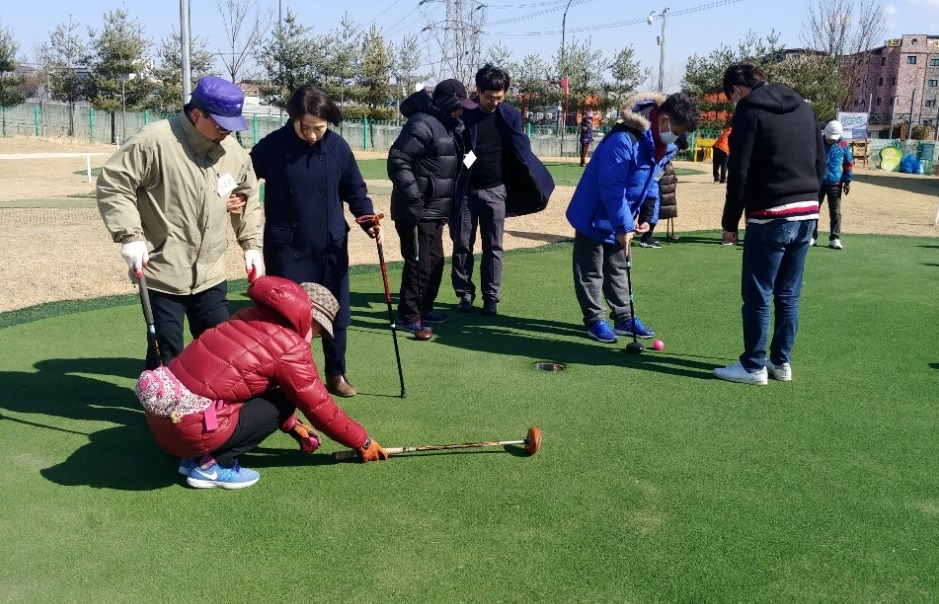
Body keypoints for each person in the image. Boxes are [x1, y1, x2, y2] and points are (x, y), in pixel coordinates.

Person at [136, 276, 389, 489]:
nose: (315, 338)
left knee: (272, 395)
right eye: (320, 331)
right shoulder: (291, 346)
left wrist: (293, 427)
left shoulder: (248, 315)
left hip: (165, 424)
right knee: (286, 400)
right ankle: (214, 466)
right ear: (312, 319)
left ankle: (193, 458)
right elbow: (322, 410)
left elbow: (241, 384)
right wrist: (362, 442)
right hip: (191, 431)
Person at [97, 76, 262, 370]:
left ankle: (212, 410)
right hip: (162, 271)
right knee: (167, 351)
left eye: (232, 126)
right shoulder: (154, 141)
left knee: (219, 349)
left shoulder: (233, 153)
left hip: (211, 273)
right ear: (197, 114)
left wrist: (251, 245)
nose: (227, 132)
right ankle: (160, 410)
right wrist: (130, 236)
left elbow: (247, 196)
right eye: (221, 124)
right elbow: (114, 184)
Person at [250, 84, 381, 398]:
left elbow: (355, 190)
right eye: (304, 127)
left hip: (329, 245)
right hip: (287, 247)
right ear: (293, 117)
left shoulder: (337, 148)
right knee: (287, 319)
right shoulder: (271, 147)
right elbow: (243, 177)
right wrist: (237, 197)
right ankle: (287, 378)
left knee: (336, 313)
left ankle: (336, 373)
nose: (311, 135)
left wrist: (367, 218)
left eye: (318, 129)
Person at [714, 63, 824, 386]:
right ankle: (781, 361)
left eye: (731, 96)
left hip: (771, 213)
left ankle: (752, 366)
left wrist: (729, 223)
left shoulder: (748, 109)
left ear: (736, 90)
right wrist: (810, 203)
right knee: (789, 294)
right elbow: (820, 162)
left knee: (758, 293)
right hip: (807, 211)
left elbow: (740, 171)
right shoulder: (805, 107)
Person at [566, 92, 700, 344]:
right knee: (591, 270)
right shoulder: (624, 139)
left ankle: (624, 318)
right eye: (679, 129)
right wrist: (623, 226)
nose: (679, 137)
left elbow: (650, 182)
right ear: (664, 120)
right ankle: (595, 320)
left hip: (619, 214)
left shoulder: (664, 144)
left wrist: (649, 216)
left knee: (619, 266)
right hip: (593, 212)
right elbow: (611, 188)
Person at [451, 64, 555, 317]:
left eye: (500, 97)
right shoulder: (465, 112)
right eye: (489, 97)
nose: (494, 102)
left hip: (496, 191)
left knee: (494, 247)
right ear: (478, 91)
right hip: (465, 191)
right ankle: (464, 295)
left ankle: (491, 298)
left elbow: (520, 149)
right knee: (462, 245)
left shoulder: (509, 115)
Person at [387, 79, 473, 340]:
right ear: (448, 103)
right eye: (460, 106)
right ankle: (408, 315)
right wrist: (414, 197)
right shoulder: (422, 122)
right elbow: (398, 158)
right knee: (418, 264)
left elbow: (455, 162)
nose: (462, 112)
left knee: (434, 262)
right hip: (416, 209)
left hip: (435, 209)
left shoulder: (449, 126)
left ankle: (425, 308)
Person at [638, 133, 688, 248]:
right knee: (651, 203)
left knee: (651, 204)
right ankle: (645, 237)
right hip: (649, 177)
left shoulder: (666, 142)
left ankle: (645, 236)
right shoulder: (670, 145)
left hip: (650, 176)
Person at [814, 119, 854, 250]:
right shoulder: (818, 141)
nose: (830, 140)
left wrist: (847, 181)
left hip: (835, 183)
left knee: (835, 212)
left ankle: (835, 238)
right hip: (817, 183)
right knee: (813, 211)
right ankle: (811, 236)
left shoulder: (843, 145)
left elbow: (848, 164)